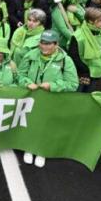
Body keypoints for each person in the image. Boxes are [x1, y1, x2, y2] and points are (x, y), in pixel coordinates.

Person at [17, 30, 79, 167]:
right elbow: (20, 75)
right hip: (32, 98)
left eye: (48, 44)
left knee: (47, 126)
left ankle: (42, 151)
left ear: (56, 44)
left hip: (52, 101)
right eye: (42, 43)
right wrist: (27, 83)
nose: (44, 47)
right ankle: (29, 147)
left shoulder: (65, 60)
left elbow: (73, 84)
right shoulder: (30, 55)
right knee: (30, 123)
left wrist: (52, 86)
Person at [68, 7, 101, 92]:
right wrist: (86, 70)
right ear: (91, 21)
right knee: (79, 98)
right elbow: (73, 57)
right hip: (83, 75)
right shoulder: (78, 36)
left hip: (98, 73)